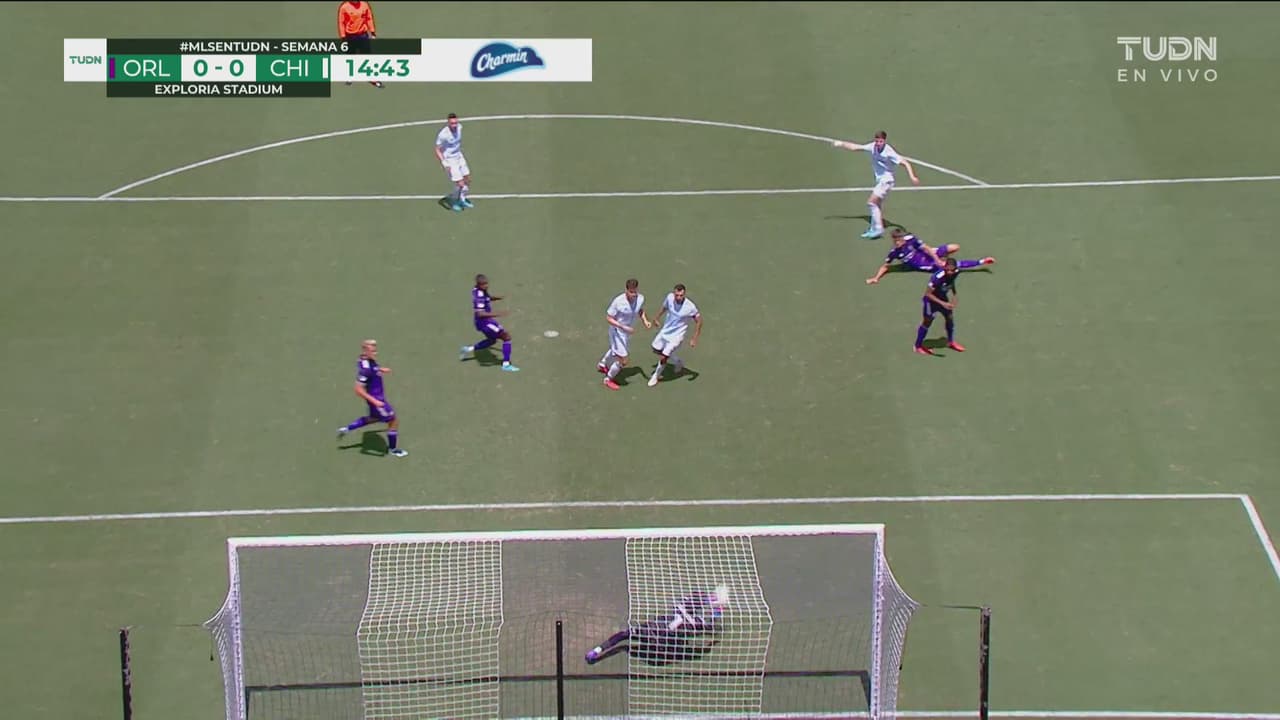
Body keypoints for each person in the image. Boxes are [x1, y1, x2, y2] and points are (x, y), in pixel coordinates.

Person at [585, 586, 730, 666]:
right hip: (667, 633)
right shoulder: (690, 626)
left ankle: (715, 603)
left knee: (627, 638)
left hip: (667, 632)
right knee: (705, 626)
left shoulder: (648, 631)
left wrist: (597, 650)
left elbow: (622, 637)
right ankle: (717, 605)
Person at [832, 130, 920, 239]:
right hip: (880, 180)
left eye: (881, 141)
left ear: (884, 141)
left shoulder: (889, 152)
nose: (878, 144)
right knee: (877, 205)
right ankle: (874, 228)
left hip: (886, 180)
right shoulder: (872, 147)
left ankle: (878, 229)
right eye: (877, 141)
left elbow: (906, 163)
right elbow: (855, 147)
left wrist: (912, 176)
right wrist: (841, 144)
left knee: (871, 202)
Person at [336, 339, 407, 457]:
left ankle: (347, 429)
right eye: (373, 351)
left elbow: (368, 366)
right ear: (365, 351)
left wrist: (379, 369)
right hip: (377, 400)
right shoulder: (365, 370)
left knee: (373, 418)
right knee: (393, 420)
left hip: (376, 400)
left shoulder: (364, 359)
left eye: (375, 350)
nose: (375, 353)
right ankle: (393, 449)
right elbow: (358, 389)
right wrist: (375, 401)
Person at [866, 228, 995, 285]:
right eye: (899, 240)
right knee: (950, 266)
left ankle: (942, 258)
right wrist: (876, 278)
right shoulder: (894, 252)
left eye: (902, 239)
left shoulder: (910, 239)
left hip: (928, 254)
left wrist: (937, 257)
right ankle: (982, 261)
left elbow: (926, 248)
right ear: (894, 240)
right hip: (926, 264)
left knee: (955, 247)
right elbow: (885, 266)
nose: (902, 241)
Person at [598, 279, 652, 391]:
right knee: (623, 360)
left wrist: (645, 320)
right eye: (631, 292)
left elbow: (640, 310)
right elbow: (609, 318)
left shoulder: (640, 298)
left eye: (635, 292)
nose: (633, 295)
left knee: (615, 349)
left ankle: (602, 364)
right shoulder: (618, 302)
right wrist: (623, 327)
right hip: (617, 332)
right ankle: (608, 379)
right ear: (626, 290)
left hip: (627, 332)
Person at [460, 274, 519, 372]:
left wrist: (497, 298)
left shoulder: (478, 290)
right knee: (506, 337)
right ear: (478, 284)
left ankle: (467, 349)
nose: (486, 286)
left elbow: (487, 298)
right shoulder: (478, 297)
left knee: (492, 341)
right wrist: (499, 314)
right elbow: (480, 314)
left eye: (486, 283)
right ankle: (506, 365)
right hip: (485, 322)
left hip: (484, 321)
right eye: (483, 284)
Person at [648, 284, 702, 388]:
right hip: (665, 331)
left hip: (677, 336)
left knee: (664, 356)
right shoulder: (669, 298)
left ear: (684, 294)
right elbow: (664, 307)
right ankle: (678, 361)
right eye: (677, 295)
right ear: (674, 294)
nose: (679, 297)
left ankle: (655, 376)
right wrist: (656, 318)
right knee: (656, 349)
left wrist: (694, 338)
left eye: (681, 295)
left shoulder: (690, 307)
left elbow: (699, 321)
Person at [915, 258, 965, 355]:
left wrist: (954, 294)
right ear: (944, 267)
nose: (949, 272)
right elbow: (928, 294)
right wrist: (943, 304)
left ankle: (951, 342)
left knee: (949, 318)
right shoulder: (937, 277)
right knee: (927, 322)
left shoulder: (956, 272)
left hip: (942, 298)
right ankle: (918, 346)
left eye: (952, 270)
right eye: (947, 269)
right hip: (930, 301)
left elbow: (951, 282)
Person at [337, 1, 384, 88]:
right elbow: (341, 22)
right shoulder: (344, 7)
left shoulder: (364, 5)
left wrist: (372, 32)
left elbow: (369, 18)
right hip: (350, 36)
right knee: (350, 57)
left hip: (363, 35)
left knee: (367, 56)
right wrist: (343, 37)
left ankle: (372, 77)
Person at [436, 113, 472, 212]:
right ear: (448, 123)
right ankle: (452, 200)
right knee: (460, 184)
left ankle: (462, 199)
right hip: (450, 160)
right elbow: (437, 149)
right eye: (452, 123)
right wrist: (444, 163)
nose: (454, 125)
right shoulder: (443, 135)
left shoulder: (460, 127)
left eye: (456, 123)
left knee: (467, 179)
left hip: (459, 156)